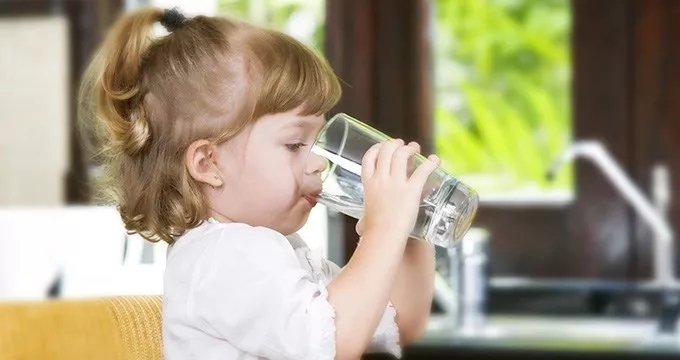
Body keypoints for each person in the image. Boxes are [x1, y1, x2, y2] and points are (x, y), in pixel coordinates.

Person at [79, 6, 440, 360]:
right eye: (295, 144)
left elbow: (401, 318)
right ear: (208, 163)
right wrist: (382, 229)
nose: (318, 162)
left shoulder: (279, 249)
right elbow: (333, 344)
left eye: (317, 142)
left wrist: (411, 223)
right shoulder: (219, 256)